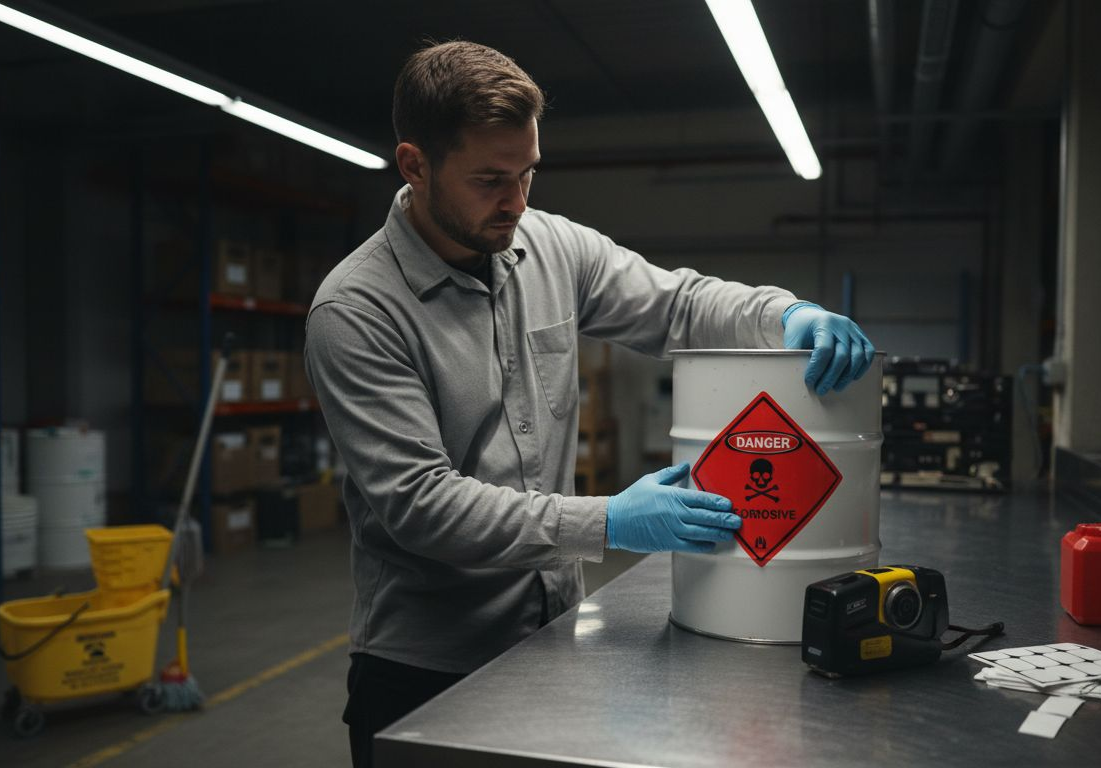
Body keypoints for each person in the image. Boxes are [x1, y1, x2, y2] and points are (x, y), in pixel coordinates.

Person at [304, 40, 875, 768]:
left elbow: (681, 305)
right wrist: (609, 520)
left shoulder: (549, 248)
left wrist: (784, 315)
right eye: (489, 180)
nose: (516, 202)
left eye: (527, 174)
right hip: (425, 673)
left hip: (554, 643)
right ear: (414, 165)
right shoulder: (356, 311)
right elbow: (422, 505)